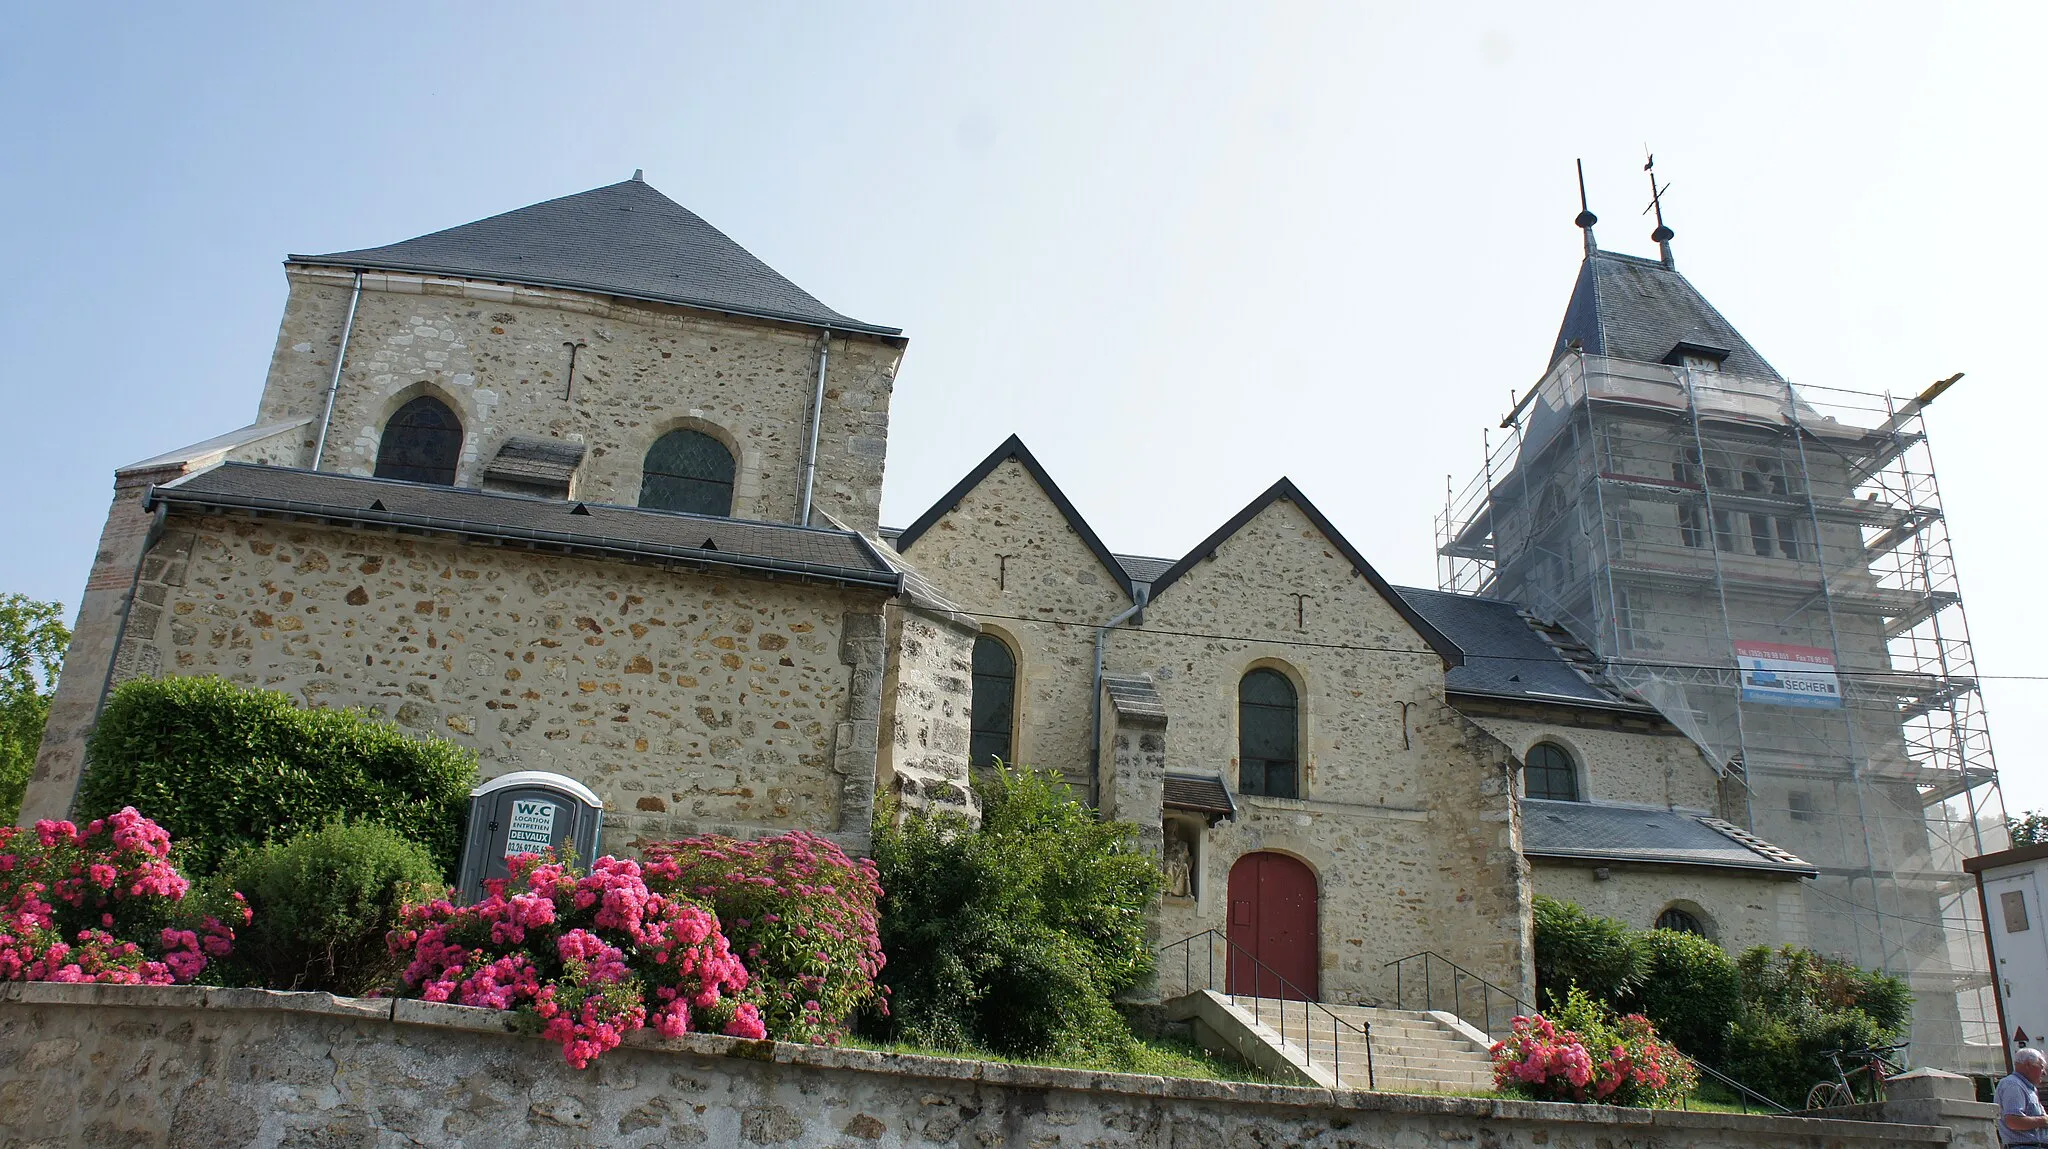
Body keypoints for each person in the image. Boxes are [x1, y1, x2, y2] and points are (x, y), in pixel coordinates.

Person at [1999, 1046, 2048, 1146]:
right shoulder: (2013, 1085)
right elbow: (2013, 1121)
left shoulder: (2027, 1087)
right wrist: (2043, 1120)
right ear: (2028, 1065)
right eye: (2041, 1067)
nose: (2044, 1072)